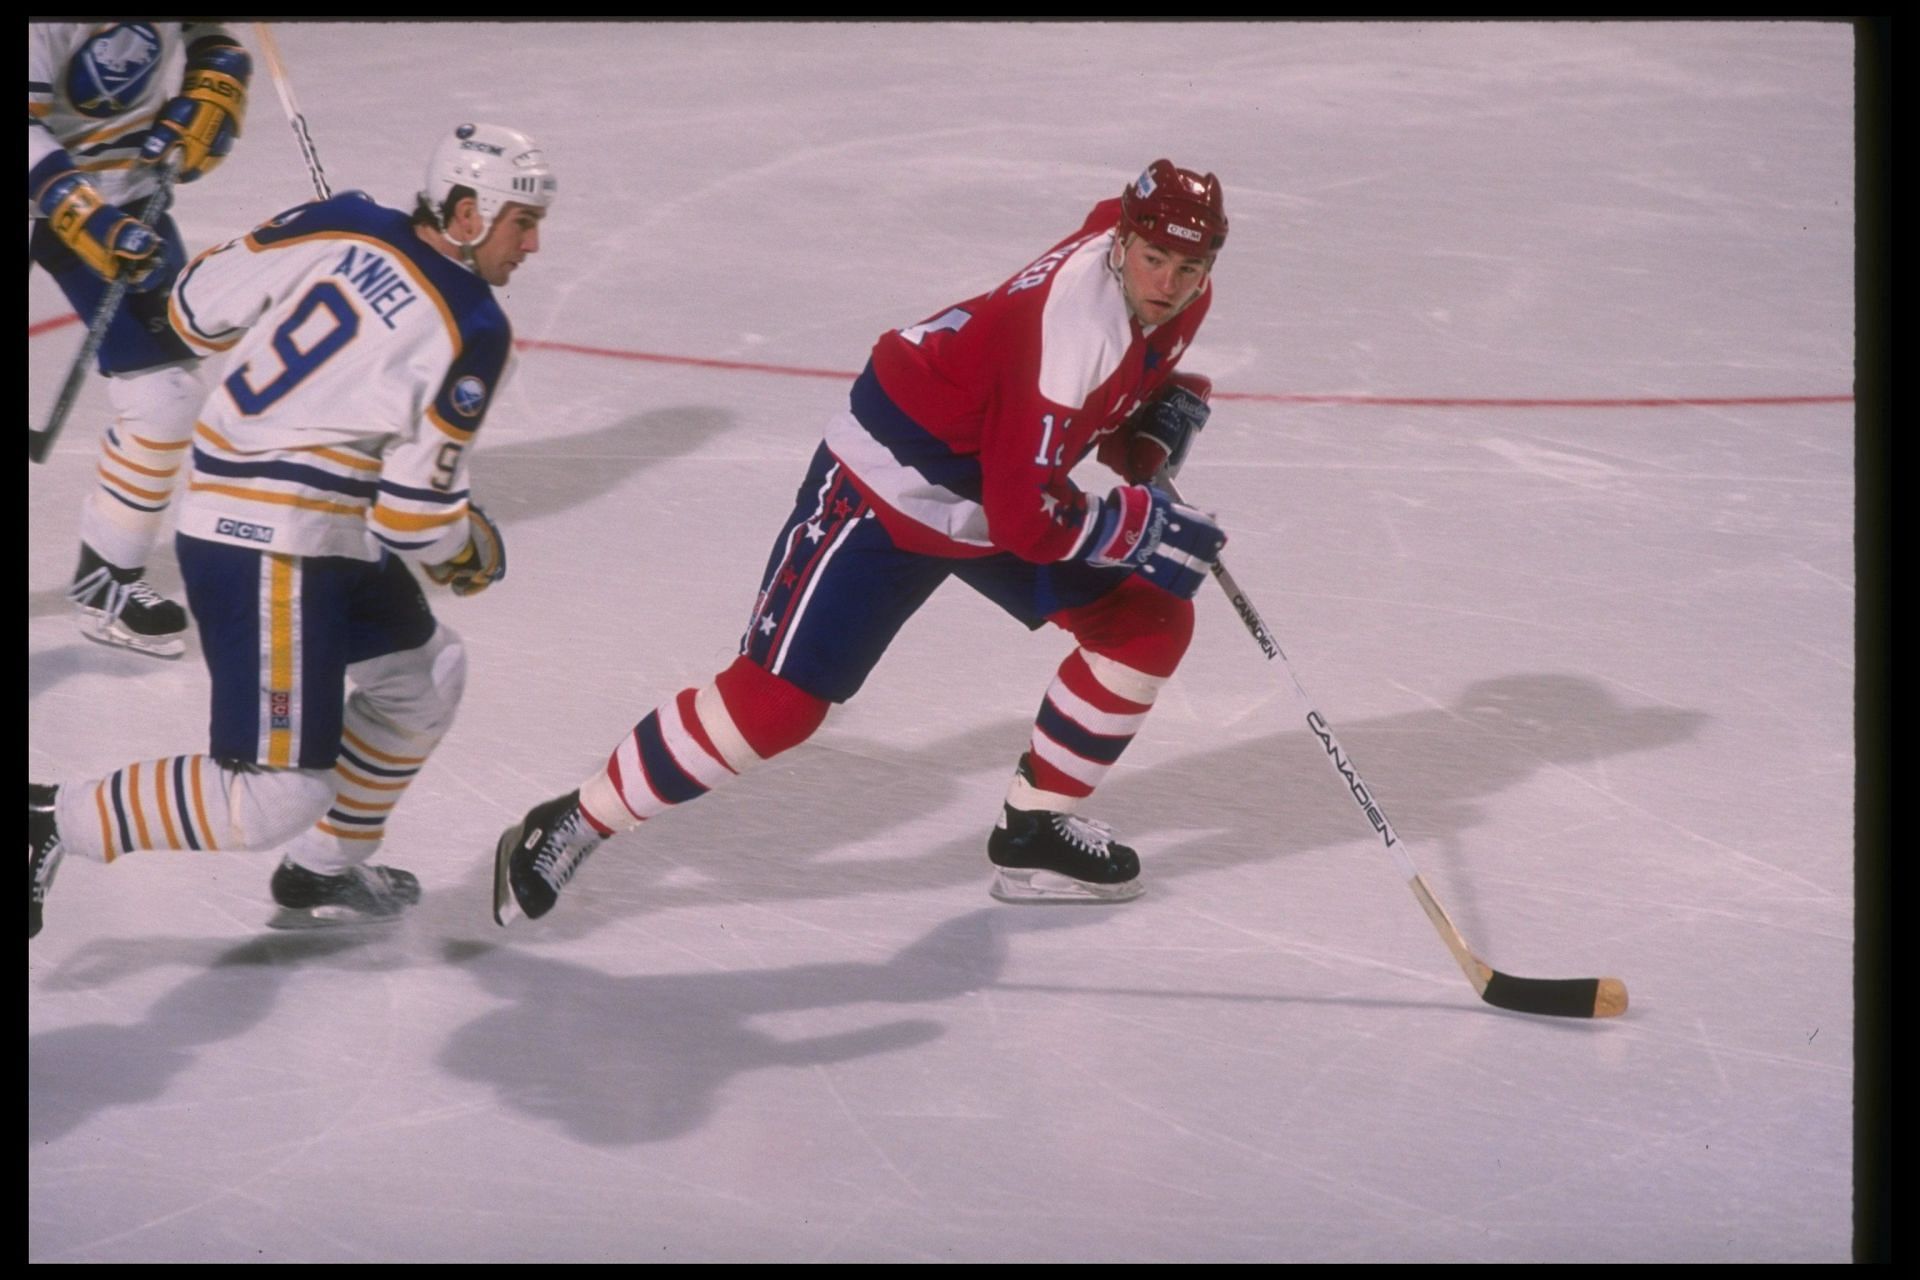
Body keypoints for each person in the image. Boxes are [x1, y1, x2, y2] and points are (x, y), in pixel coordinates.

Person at [492, 159, 1229, 925]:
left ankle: (1036, 830)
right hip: (892, 479)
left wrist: (1145, 426)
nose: (1169, 283)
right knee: (778, 704)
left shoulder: (1164, 275)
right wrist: (1134, 529)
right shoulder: (1070, 329)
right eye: (1154, 260)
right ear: (1121, 243)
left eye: (1190, 266)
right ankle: (578, 818)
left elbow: (1055, 452)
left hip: (1001, 471)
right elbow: (1027, 523)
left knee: (1147, 623)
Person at [29, 123, 558, 940]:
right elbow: (414, 514)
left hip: (299, 524)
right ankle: (48, 820)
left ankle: (323, 870)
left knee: (427, 678)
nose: (533, 244)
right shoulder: (476, 330)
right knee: (276, 791)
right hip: (272, 540)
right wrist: (470, 553)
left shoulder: (342, 218)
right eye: (521, 221)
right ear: (463, 215)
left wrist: (298, 233)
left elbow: (191, 313)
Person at [29, 22, 253, 658]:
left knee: (166, 394)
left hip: (123, 195)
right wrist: (85, 216)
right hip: (69, 196)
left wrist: (221, 75)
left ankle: (110, 583)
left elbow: (210, 36)